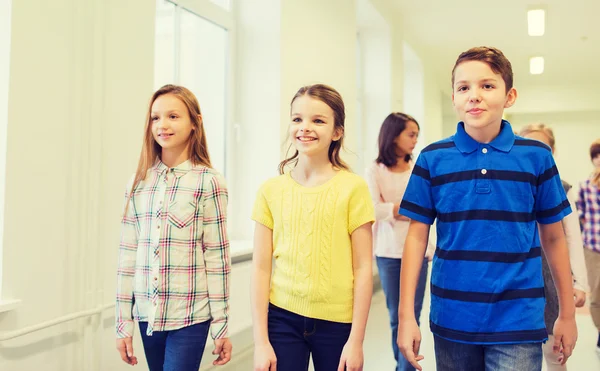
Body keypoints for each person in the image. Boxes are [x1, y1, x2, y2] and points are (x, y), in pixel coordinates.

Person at [396, 47, 578, 371]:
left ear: (510, 96)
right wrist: (407, 315)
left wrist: (566, 313)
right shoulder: (432, 159)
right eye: (464, 87)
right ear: (453, 97)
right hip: (452, 317)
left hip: (518, 319)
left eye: (487, 86)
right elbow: (415, 238)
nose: (474, 96)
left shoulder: (536, 156)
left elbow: (554, 238)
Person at [251, 84, 375, 371]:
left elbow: (363, 268)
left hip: (338, 324)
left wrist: (356, 341)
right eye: (297, 119)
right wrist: (260, 342)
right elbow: (260, 268)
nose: (305, 128)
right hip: (282, 319)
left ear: (337, 131)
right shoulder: (271, 190)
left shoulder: (353, 187)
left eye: (318, 120)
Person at [115, 84, 232, 370]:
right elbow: (127, 255)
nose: (162, 125)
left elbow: (217, 258)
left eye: (173, 116)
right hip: (146, 314)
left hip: (190, 315)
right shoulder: (137, 182)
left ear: (195, 123)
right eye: (155, 117)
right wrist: (123, 322)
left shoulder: (208, 181)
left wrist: (221, 324)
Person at [365, 112, 432, 371]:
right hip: (388, 253)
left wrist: (392, 208)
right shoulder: (374, 170)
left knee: (412, 316)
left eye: (417, 134)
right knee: (397, 317)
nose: (416, 140)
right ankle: (402, 365)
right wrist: (403, 209)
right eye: (411, 134)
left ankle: (405, 368)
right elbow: (372, 210)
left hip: (420, 252)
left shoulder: (419, 169)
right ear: (394, 136)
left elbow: (426, 207)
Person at [519, 123, 589, 370]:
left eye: (543, 147)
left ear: (553, 151)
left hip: (551, 276)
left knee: (554, 351)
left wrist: (579, 283)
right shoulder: (512, 184)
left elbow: (571, 237)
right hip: (519, 276)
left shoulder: (563, 188)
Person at [576, 139, 600, 354]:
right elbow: (580, 217)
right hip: (593, 247)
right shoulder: (585, 186)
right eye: (596, 155)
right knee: (596, 296)